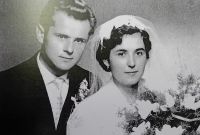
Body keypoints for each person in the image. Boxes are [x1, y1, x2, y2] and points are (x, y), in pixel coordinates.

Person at [0, 0, 100, 135]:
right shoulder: (5, 84)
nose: (70, 49)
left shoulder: (93, 83)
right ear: (41, 33)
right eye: (62, 37)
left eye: (79, 40)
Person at [67, 15, 179, 135]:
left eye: (139, 53)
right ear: (106, 60)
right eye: (121, 54)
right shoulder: (88, 113)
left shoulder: (162, 102)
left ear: (147, 56)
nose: (132, 63)